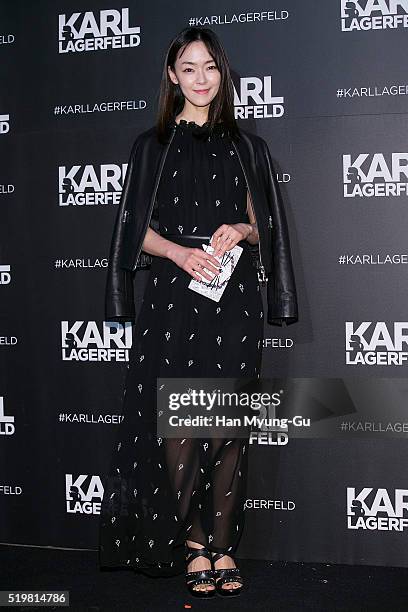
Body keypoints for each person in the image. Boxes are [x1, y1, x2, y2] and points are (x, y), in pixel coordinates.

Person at [99, 26, 298, 599]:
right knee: (183, 422)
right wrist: (179, 252)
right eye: (189, 68)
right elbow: (133, 231)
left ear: (222, 72)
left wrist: (238, 229)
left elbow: (267, 227)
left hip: (231, 297)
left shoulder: (247, 147)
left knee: (228, 425)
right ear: (171, 76)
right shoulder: (150, 146)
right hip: (173, 295)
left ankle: (224, 545)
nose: (201, 79)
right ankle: (191, 546)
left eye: (210, 67)